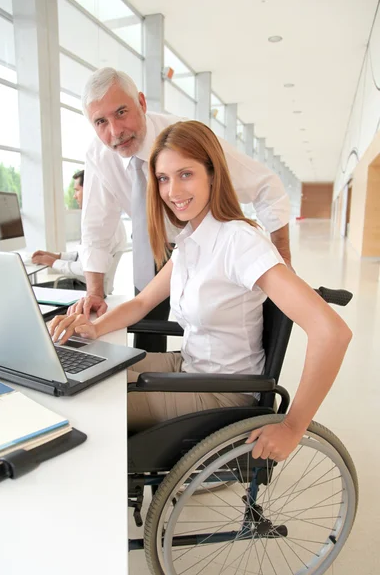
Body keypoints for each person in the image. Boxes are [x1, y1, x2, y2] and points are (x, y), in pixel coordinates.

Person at [49, 121, 352, 462]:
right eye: (163, 178)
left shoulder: (239, 242)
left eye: (185, 174)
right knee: (86, 364)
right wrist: (94, 328)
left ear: (212, 173)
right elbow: (143, 302)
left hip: (221, 392)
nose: (173, 191)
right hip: (191, 366)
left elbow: (332, 333)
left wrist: (292, 427)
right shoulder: (191, 239)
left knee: (88, 396)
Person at [70, 66, 292, 353]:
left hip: (206, 243)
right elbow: (95, 229)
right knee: (145, 325)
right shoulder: (99, 155)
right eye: (100, 121)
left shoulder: (184, 138)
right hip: (156, 244)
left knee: (218, 323)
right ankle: (159, 378)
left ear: (141, 102)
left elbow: (266, 188)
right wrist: (95, 293)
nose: (115, 131)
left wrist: (283, 261)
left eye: (121, 112)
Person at [32, 170, 127, 294]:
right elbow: (85, 255)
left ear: (89, 190)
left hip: (89, 289)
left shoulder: (103, 224)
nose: (74, 195)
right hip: (84, 284)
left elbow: (87, 268)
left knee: (30, 292)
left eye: (77, 190)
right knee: (32, 290)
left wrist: (52, 262)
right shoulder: (103, 219)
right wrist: (57, 256)